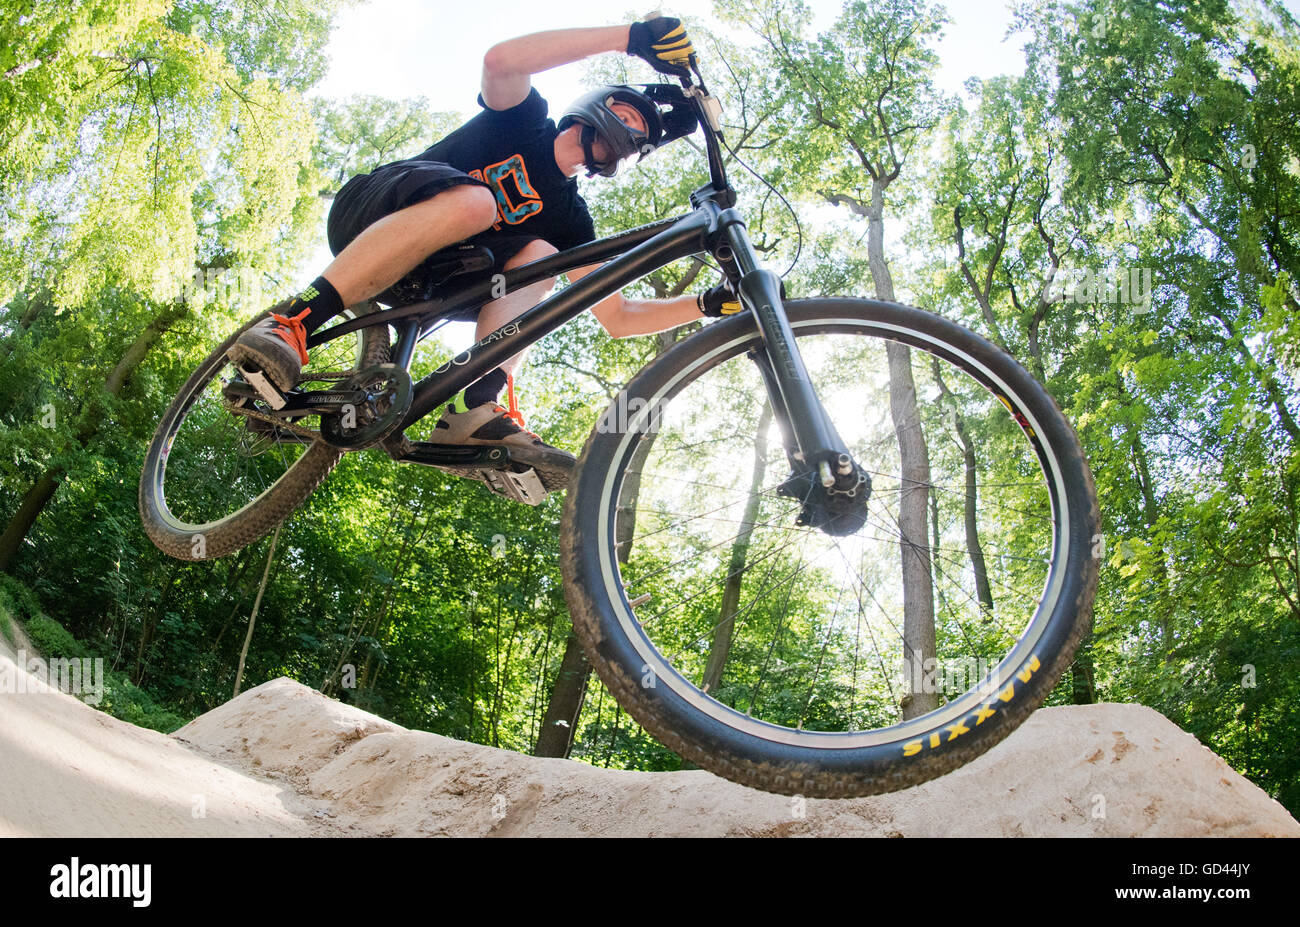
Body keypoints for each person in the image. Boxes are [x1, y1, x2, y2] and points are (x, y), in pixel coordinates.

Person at [227, 16, 741, 478]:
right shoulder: (523, 120)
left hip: (436, 279)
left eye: (641, 132)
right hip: (375, 213)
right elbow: (501, 60)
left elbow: (618, 316)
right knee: (479, 204)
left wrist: (703, 305)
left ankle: (475, 408)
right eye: (628, 113)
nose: (630, 128)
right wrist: (630, 38)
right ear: (596, 104)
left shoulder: (572, 221)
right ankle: (292, 321)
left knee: (547, 257)